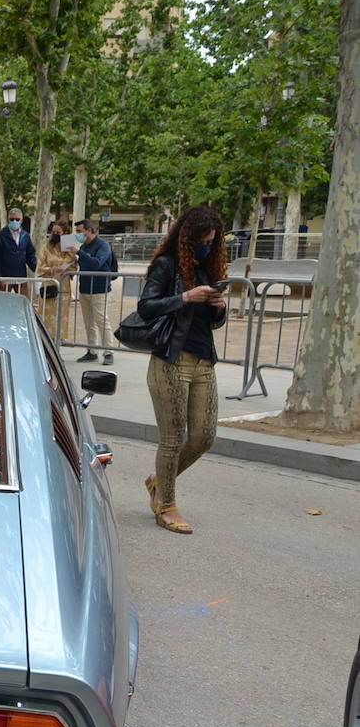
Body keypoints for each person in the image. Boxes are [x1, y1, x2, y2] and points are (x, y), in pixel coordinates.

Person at [139, 206, 228, 535]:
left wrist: (219, 308)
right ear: (187, 239)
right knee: (173, 439)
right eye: (202, 241)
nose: (207, 247)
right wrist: (185, 296)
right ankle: (166, 504)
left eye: (212, 241)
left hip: (204, 361)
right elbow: (146, 307)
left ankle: (158, 480)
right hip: (170, 360)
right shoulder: (167, 265)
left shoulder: (209, 269)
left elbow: (212, 323)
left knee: (205, 437)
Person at [71, 219, 117, 364]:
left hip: (99, 289)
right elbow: (84, 262)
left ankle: (108, 352)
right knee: (88, 322)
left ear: (89, 230)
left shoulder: (103, 246)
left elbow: (97, 263)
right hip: (84, 288)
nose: (77, 234)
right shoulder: (84, 246)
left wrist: (80, 253)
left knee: (102, 320)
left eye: (79, 231)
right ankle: (92, 351)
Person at [37, 221, 76, 331]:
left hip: (64, 287)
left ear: (65, 233)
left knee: (62, 314)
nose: (54, 234)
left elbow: (73, 265)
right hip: (48, 285)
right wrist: (50, 269)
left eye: (58, 232)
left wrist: (64, 268)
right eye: (53, 232)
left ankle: (60, 338)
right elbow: (39, 266)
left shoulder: (69, 248)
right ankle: (45, 337)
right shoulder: (45, 247)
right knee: (46, 313)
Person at [0, 208, 37, 293]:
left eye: (17, 219)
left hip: (21, 277)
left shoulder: (25, 236)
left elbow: (30, 255)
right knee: (3, 304)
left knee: (23, 302)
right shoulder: (0, 235)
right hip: (5, 278)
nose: (14, 221)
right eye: (12, 219)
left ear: (22, 220)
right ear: (8, 219)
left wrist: (37, 268)